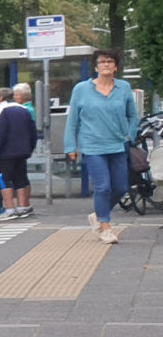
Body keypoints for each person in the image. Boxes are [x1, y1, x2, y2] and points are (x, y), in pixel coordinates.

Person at [63, 48, 141, 244]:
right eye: (102, 61)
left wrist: (129, 135)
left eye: (110, 61)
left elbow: (133, 115)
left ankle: (98, 214)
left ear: (115, 66)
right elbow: (72, 120)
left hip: (118, 144)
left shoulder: (123, 87)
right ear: (96, 66)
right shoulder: (81, 89)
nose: (106, 64)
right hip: (92, 145)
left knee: (121, 187)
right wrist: (70, 146)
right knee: (103, 187)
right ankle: (105, 226)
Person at [0, 86, 37, 219]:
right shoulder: (23, 109)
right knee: (20, 178)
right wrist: (30, 148)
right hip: (22, 151)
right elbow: (33, 132)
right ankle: (23, 207)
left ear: (0, 98)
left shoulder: (1, 110)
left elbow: (0, 133)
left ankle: (10, 209)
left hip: (6, 152)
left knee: (4, 178)